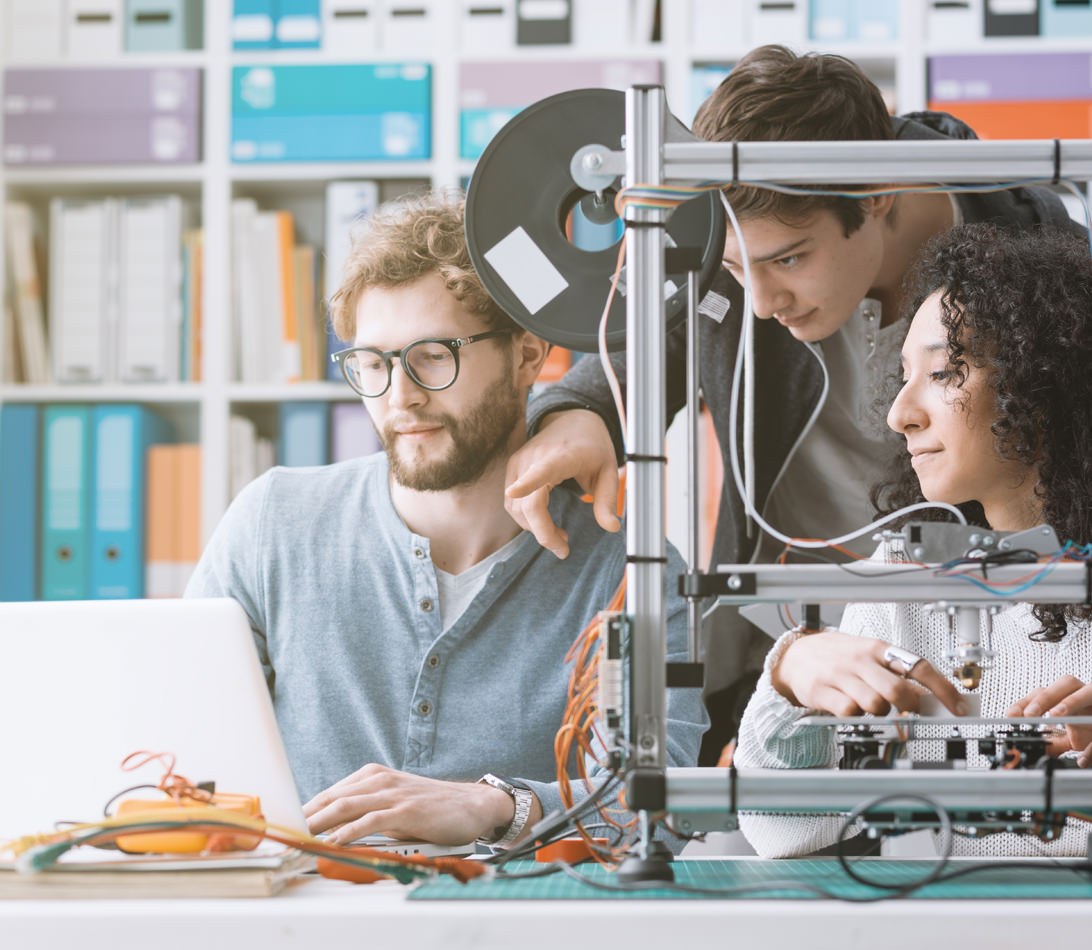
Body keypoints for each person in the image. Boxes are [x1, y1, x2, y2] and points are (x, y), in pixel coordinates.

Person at [502, 45, 1084, 764]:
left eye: (788, 259)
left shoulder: (1044, 263)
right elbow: (630, 358)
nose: (762, 300)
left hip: (988, 662)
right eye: (737, 267)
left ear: (875, 198)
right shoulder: (731, 258)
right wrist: (578, 416)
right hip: (785, 654)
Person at [184, 191, 705, 849]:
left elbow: (658, 812)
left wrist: (496, 807)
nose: (400, 397)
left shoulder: (632, 569)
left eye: (433, 356)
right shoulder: (273, 526)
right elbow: (178, 739)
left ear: (525, 354)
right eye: (373, 363)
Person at [735, 222, 1092, 858]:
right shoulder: (905, 577)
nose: (901, 414)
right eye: (904, 376)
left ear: (1046, 379)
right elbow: (782, 830)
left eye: (946, 371)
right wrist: (790, 683)